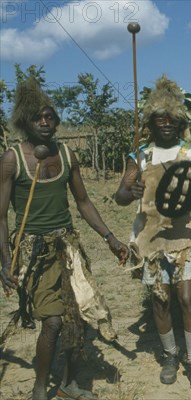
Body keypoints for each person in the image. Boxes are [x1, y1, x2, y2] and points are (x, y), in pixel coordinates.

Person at [0, 77, 129, 400]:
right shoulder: (12, 159)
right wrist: (5, 262)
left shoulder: (68, 156)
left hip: (68, 247)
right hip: (32, 250)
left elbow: (83, 202)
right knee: (54, 321)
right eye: (37, 118)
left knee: (77, 316)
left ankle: (69, 385)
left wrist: (110, 238)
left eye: (50, 117)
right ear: (25, 122)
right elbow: (0, 216)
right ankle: (40, 389)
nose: (45, 123)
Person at [115, 76, 191, 393]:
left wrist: (190, 191)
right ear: (153, 123)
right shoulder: (140, 155)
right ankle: (170, 355)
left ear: (179, 120)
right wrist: (133, 189)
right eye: (160, 119)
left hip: (186, 231)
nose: (166, 124)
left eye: (171, 119)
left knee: (186, 296)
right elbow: (120, 196)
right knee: (159, 299)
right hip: (152, 234)